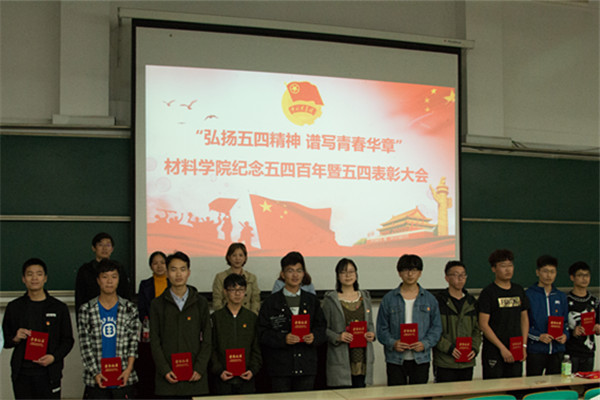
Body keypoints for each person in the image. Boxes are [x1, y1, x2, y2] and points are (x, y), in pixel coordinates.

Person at [2, 258, 74, 399]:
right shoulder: (14, 307)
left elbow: (68, 340)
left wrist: (53, 357)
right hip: (22, 374)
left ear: (45, 278)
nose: (34, 278)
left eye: (39, 274)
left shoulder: (59, 307)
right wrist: (15, 338)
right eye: (30, 274)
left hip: (49, 373)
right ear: (23, 279)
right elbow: (5, 340)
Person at [258, 251, 327, 392]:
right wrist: (283, 339)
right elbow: (262, 333)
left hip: (306, 366)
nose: (295, 275)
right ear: (282, 274)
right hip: (280, 368)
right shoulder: (271, 302)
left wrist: (314, 336)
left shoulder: (312, 301)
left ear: (303, 274)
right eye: (290, 271)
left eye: (299, 271)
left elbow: (322, 328)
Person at [150, 251, 212, 398]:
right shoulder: (157, 304)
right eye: (173, 269)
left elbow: (208, 339)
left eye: (182, 269)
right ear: (166, 273)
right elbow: (155, 341)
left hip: (195, 378)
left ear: (188, 272)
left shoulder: (201, 303)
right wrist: (165, 370)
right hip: (168, 380)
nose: (178, 274)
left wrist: (200, 368)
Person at [78, 259, 139, 399]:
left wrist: (128, 369)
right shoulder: (86, 309)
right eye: (105, 277)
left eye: (114, 277)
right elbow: (85, 346)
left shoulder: (130, 309)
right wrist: (96, 373)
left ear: (119, 280)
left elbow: (133, 343)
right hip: (96, 379)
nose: (109, 281)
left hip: (123, 377)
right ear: (98, 280)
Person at [376, 254, 442, 386]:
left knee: (419, 394)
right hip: (395, 358)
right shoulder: (389, 299)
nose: (410, 274)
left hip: (421, 358)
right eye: (406, 270)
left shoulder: (429, 299)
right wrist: (393, 343)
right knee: (397, 394)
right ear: (399, 273)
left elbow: (436, 328)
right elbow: (381, 329)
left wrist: (425, 343)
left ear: (420, 273)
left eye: (414, 270)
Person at [322, 258, 376, 388]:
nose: (348, 275)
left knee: (361, 394)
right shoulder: (330, 300)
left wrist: (372, 334)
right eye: (343, 272)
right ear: (337, 276)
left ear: (356, 274)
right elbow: (323, 329)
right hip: (341, 360)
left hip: (362, 358)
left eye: (351, 272)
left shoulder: (365, 297)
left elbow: (370, 325)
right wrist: (338, 337)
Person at [478, 249, 530, 379]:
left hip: (516, 348)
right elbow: (483, 324)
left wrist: (523, 345)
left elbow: (524, 319)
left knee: (515, 387)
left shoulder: (519, 290)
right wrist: (502, 348)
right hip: (495, 350)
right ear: (494, 269)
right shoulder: (488, 293)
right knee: (494, 388)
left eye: (510, 265)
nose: (508, 270)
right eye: (503, 266)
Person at [210, 273, 262, 394]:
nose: (237, 294)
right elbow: (211, 347)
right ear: (225, 292)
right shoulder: (216, 318)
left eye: (241, 290)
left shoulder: (251, 317)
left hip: (246, 377)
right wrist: (218, 370)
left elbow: (256, 347)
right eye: (233, 290)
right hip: (222, 378)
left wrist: (253, 370)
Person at [433, 260, 481, 382]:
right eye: (455, 275)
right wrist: (449, 348)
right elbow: (432, 331)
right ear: (447, 278)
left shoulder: (472, 302)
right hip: (445, 362)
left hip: (467, 361)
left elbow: (477, 330)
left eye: (463, 275)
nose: (460, 278)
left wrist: (474, 348)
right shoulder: (438, 301)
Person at [525, 255, 569, 376]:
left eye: (552, 272)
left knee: (556, 384)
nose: (549, 275)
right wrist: (538, 336)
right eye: (545, 271)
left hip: (557, 350)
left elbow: (566, 323)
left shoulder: (561, 296)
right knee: (534, 384)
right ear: (537, 272)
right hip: (536, 350)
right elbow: (522, 324)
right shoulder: (528, 295)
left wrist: (565, 335)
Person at [136, 251, 169, 399]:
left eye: (162, 262)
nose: (159, 266)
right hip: (152, 330)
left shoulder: (174, 283)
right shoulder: (145, 285)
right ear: (151, 266)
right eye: (155, 263)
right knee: (151, 365)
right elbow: (142, 309)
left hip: (171, 330)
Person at [75, 232, 131, 317]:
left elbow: (125, 293)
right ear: (94, 248)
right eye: (100, 245)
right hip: (92, 314)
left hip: (117, 313)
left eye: (108, 245)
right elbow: (79, 297)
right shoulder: (85, 270)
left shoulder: (119, 268)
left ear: (112, 249)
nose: (104, 248)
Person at [565, 261, 600, 373]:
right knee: (569, 381)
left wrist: (598, 328)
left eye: (587, 275)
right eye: (580, 275)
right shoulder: (565, 300)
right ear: (572, 277)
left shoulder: (595, 301)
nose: (584, 279)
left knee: (587, 381)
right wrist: (572, 331)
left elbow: (598, 322)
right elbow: (560, 325)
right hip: (570, 352)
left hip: (589, 351)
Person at [212, 243, 261, 314]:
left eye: (241, 255)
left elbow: (255, 300)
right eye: (234, 255)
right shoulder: (220, 277)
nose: (237, 258)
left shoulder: (251, 277)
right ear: (228, 257)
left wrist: (252, 316)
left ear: (245, 258)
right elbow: (217, 300)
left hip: (247, 316)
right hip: (226, 316)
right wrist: (222, 316)